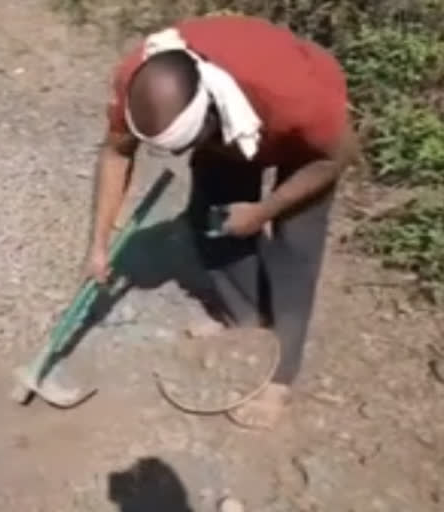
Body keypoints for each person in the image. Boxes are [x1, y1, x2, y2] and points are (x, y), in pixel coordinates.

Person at [86, 15, 359, 430]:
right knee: (213, 220)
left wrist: (264, 211)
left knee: (294, 251)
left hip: (303, 141)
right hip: (229, 118)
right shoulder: (137, 79)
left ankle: (280, 377)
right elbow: (116, 153)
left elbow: (335, 157)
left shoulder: (294, 96)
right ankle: (244, 320)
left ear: (213, 112)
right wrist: (100, 243)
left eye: (191, 143)